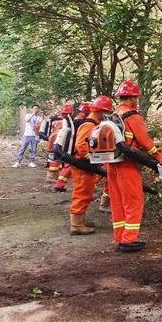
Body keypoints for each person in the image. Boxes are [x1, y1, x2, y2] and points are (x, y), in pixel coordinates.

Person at [108, 81, 160, 252]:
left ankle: (120, 237)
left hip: (112, 163)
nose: (136, 100)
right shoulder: (132, 116)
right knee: (134, 201)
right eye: (135, 97)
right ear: (131, 98)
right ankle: (129, 240)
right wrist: (158, 157)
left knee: (117, 201)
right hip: (127, 163)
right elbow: (145, 142)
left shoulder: (114, 114)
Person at [69, 95, 112, 235]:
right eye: (106, 112)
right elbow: (80, 146)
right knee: (81, 193)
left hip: (85, 166)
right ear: (101, 111)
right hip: (82, 166)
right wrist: (91, 159)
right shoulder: (88, 125)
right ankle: (76, 225)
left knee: (86, 193)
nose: (107, 115)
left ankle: (80, 221)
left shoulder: (93, 125)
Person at [54, 102, 91, 193]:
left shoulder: (75, 120)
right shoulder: (81, 121)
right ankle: (59, 185)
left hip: (73, 148)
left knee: (69, 167)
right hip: (75, 149)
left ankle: (60, 184)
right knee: (69, 166)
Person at [46, 105, 73, 181]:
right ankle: (51, 177)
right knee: (54, 163)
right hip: (55, 145)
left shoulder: (63, 123)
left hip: (56, 145)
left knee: (57, 163)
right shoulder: (64, 125)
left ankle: (56, 177)